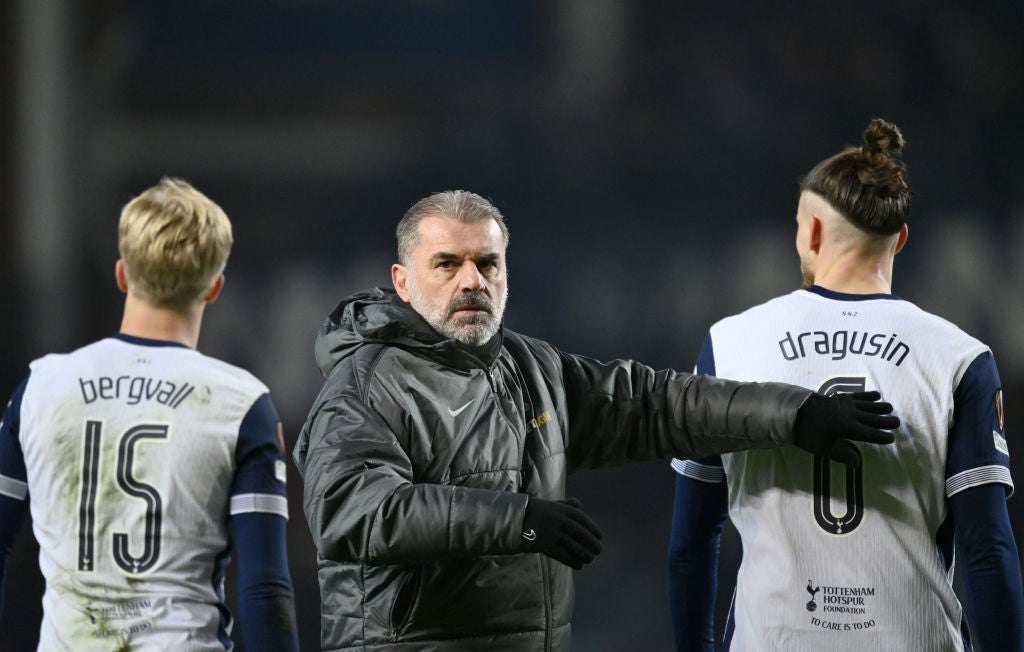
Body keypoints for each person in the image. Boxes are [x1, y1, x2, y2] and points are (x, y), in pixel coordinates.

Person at [293, 189, 899, 651]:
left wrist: (795, 411)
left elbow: (658, 405)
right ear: (403, 281)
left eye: (488, 263)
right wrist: (519, 520)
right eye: (447, 264)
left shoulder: (534, 369)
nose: (472, 281)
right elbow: (353, 509)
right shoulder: (365, 385)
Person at [666, 118, 1024, 651]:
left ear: (811, 230)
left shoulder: (729, 344)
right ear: (900, 240)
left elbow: (691, 546)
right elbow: (987, 548)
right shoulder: (960, 357)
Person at [0, 178, 299, 651]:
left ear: (122, 274)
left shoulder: (41, 388)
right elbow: (264, 588)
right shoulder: (241, 404)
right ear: (215, 286)